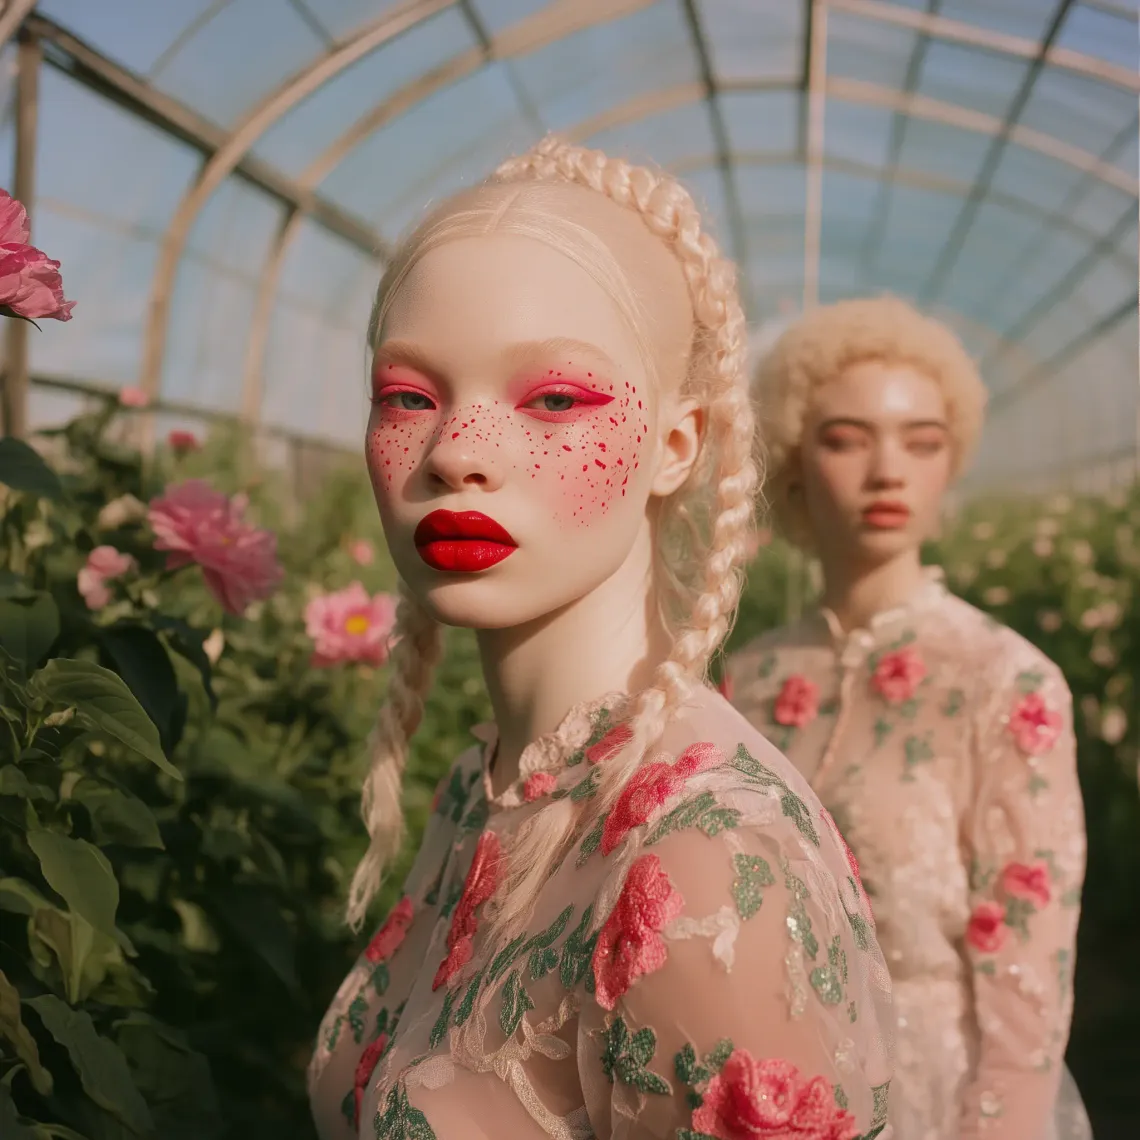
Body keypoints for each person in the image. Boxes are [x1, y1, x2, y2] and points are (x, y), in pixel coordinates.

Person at [306, 138, 894, 1140]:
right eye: (411, 397)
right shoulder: (480, 790)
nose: (456, 454)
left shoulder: (705, 874)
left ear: (678, 446)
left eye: (553, 401)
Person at [725, 297, 1089, 1140]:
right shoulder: (748, 677)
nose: (889, 470)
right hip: (762, 1086)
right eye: (847, 438)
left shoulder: (1005, 678)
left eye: (921, 442)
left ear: (950, 461)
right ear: (793, 459)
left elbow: (1031, 972)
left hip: (936, 1093)